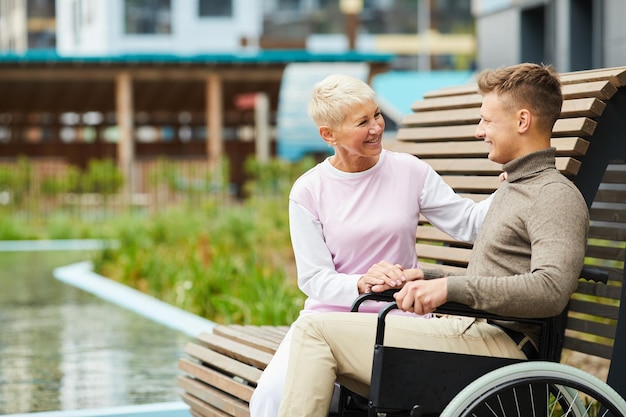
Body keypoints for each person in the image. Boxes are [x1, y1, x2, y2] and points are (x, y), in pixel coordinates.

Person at [276, 63, 590, 417]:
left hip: (495, 348)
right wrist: (428, 278)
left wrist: (448, 290)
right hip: (469, 331)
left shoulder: (553, 196)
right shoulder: (516, 187)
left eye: (487, 120)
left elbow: (550, 290)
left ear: (521, 121)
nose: (479, 131)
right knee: (313, 335)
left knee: (315, 332)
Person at [249, 73, 496, 416]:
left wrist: (516, 185)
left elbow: (468, 223)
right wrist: (360, 282)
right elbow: (314, 278)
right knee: (269, 399)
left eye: (376, 115)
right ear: (328, 135)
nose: (377, 127)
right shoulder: (308, 191)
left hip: (396, 317)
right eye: (362, 122)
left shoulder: (409, 171)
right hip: (326, 319)